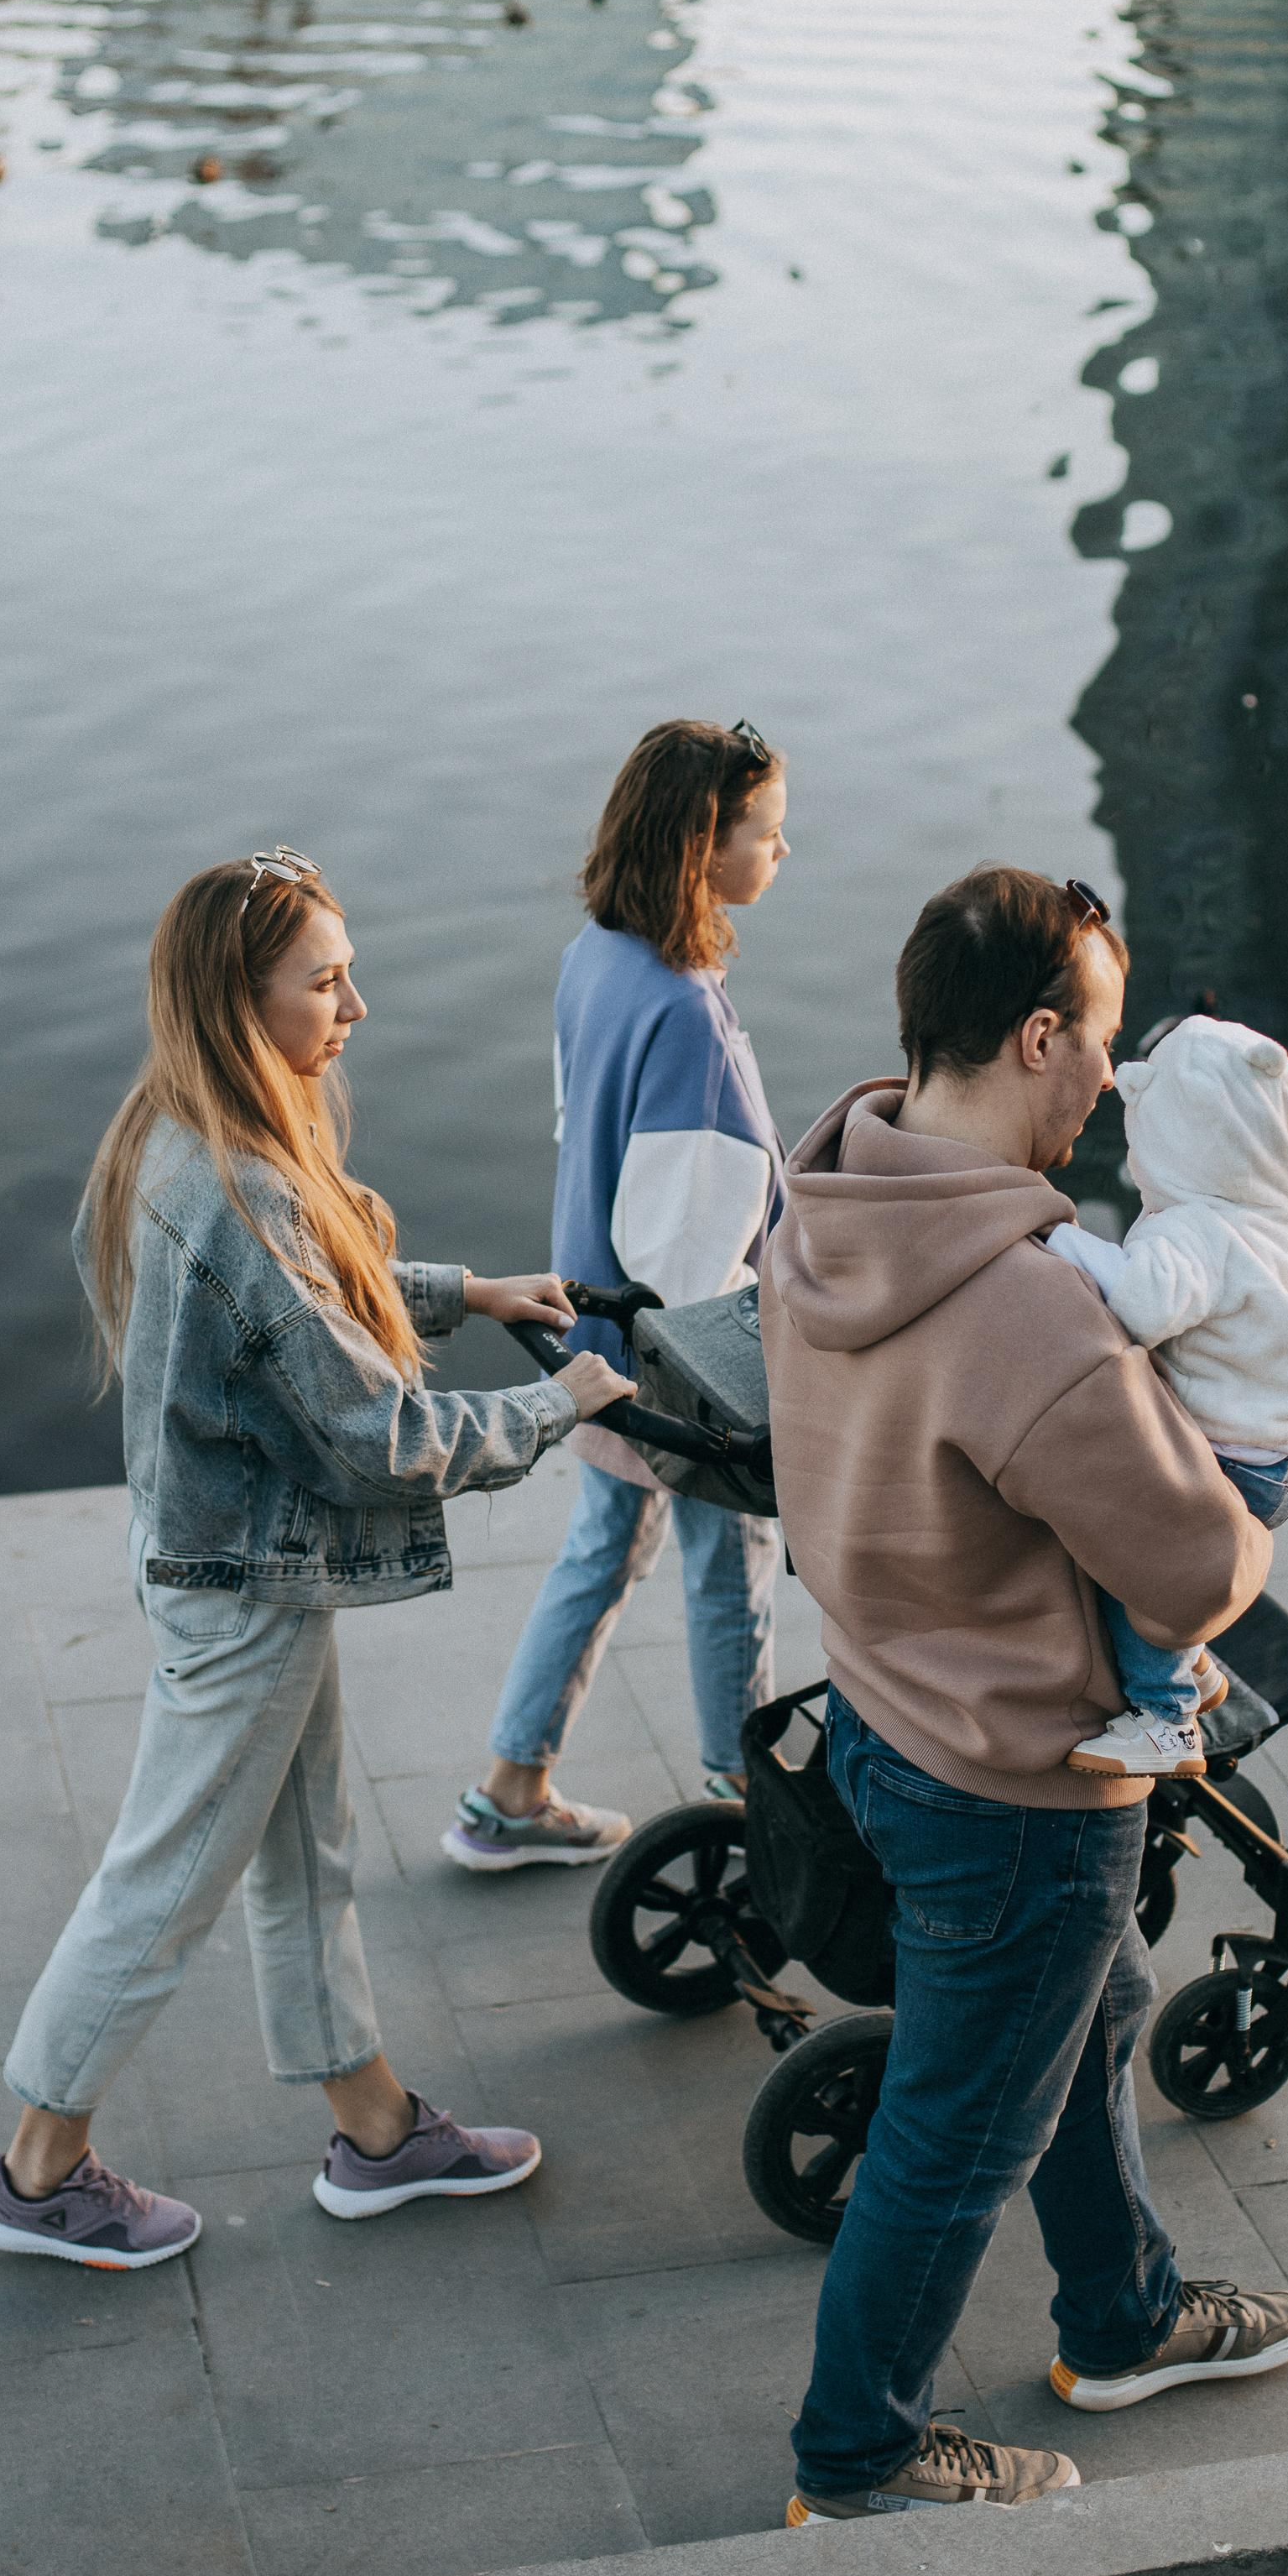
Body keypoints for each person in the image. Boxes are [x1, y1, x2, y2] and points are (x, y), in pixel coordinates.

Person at [0, 848, 633, 2269]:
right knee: (163, 1885)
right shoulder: (240, 1189)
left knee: (303, 1856)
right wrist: (551, 1403)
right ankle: (35, 2173)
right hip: (246, 1594)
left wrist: (460, 1290)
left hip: (227, 1563)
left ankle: (377, 2131)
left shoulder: (170, 1132)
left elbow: (288, 1313)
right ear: (238, 1001)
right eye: (324, 982)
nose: (357, 1006)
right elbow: (368, 1436)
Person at [760, 865, 1288, 2527]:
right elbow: (1207, 1563)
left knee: (1088, 2021)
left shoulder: (831, 1182)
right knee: (949, 2139)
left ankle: (1124, 2312)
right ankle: (855, 2458)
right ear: (1030, 1036)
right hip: (1019, 1782)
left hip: (877, 1703)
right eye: (1091, 1046)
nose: (1102, 1086)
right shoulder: (1028, 1307)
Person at [442, 721, 790, 1873]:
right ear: (703, 849)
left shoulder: (595, 952)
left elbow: (577, 1132)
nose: (782, 852)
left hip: (583, 1321)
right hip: (672, 1359)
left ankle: (508, 1787)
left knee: (600, 1551)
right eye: (766, 833)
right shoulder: (688, 1015)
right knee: (727, 1571)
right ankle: (750, 1815)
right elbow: (690, 1252)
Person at [1047, 1013, 1288, 1779]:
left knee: (1141, 1568)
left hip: (1226, 1452)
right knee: (1185, 1568)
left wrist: (1061, 1239)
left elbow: (1139, 1305)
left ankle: (1163, 1720)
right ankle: (1194, 1666)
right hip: (1287, 1457)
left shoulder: (1194, 1232)